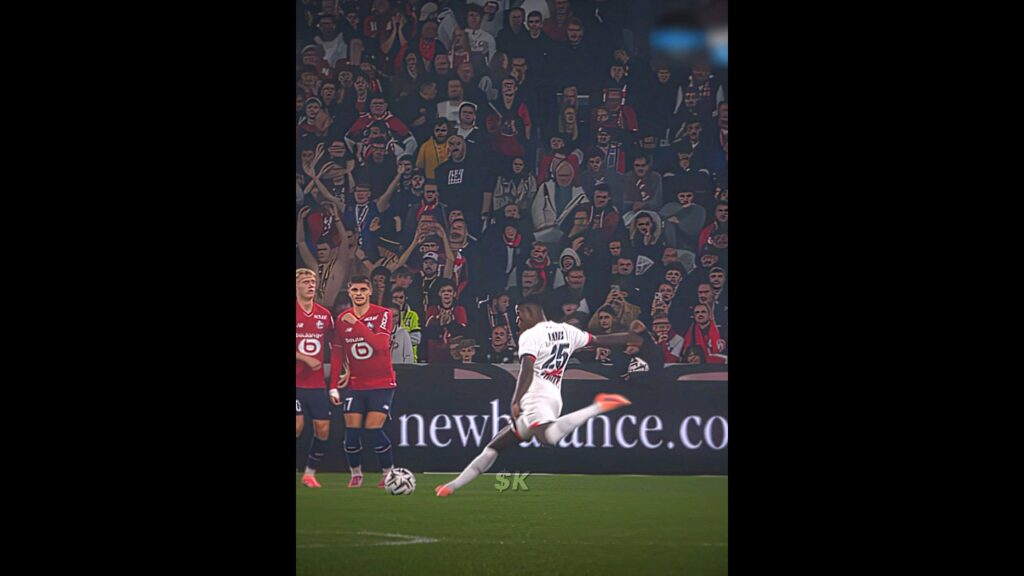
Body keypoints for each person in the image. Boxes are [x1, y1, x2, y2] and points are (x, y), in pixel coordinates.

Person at [436, 295, 644, 497]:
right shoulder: (566, 331)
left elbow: (527, 368)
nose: (516, 320)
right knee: (494, 446)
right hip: (553, 396)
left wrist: (516, 399)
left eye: (518, 315)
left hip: (537, 397)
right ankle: (452, 486)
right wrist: (630, 337)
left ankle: (597, 407)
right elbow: (600, 340)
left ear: (529, 312)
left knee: (549, 437)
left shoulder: (531, 335)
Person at [330, 275, 400, 488]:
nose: (359, 294)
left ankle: (389, 473)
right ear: (349, 292)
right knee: (351, 432)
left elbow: (380, 344)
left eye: (363, 290)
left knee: (372, 428)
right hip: (356, 384)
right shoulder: (342, 319)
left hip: (382, 383)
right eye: (355, 290)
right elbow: (337, 353)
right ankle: (356, 474)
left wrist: (358, 324)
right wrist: (333, 385)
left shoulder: (383, 314)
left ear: (369, 292)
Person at [296, 268, 336, 489]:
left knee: (323, 429)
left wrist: (346, 366)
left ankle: (309, 474)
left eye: (313, 281)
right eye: (305, 281)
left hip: (316, 383)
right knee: (297, 425)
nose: (311, 285)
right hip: (296, 382)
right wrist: (303, 358)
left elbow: (336, 343)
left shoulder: (323, 315)